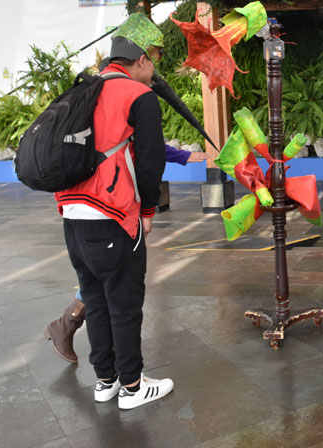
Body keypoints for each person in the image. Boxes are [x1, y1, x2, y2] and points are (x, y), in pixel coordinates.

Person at [52, 13, 172, 410]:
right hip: (114, 217)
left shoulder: (86, 89)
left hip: (73, 218)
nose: (154, 71)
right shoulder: (139, 96)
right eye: (154, 61)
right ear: (140, 59)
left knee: (96, 300)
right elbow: (152, 161)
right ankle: (134, 387)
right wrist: (149, 210)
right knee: (123, 304)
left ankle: (105, 381)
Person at [44, 146, 208, 364]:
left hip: (79, 204)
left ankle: (79, 340)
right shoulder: (108, 112)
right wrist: (178, 156)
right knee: (115, 279)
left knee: (103, 277)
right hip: (107, 203)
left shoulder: (76, 114)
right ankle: (125, 378)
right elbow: (140, 139)